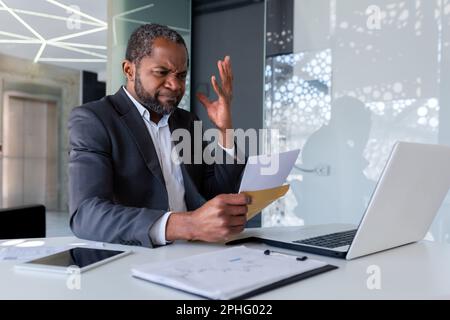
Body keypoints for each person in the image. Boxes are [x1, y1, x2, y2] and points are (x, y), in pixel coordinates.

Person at [68, 24, 249, 247]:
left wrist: (225, 130)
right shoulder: (94, 119)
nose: (175, 85)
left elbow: (216, 193)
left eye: (181, 75)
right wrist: (187, 225)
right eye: (161, 72)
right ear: (129, 70)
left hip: (196, 253)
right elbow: (86, 215)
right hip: (133, 259)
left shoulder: (187, 122)